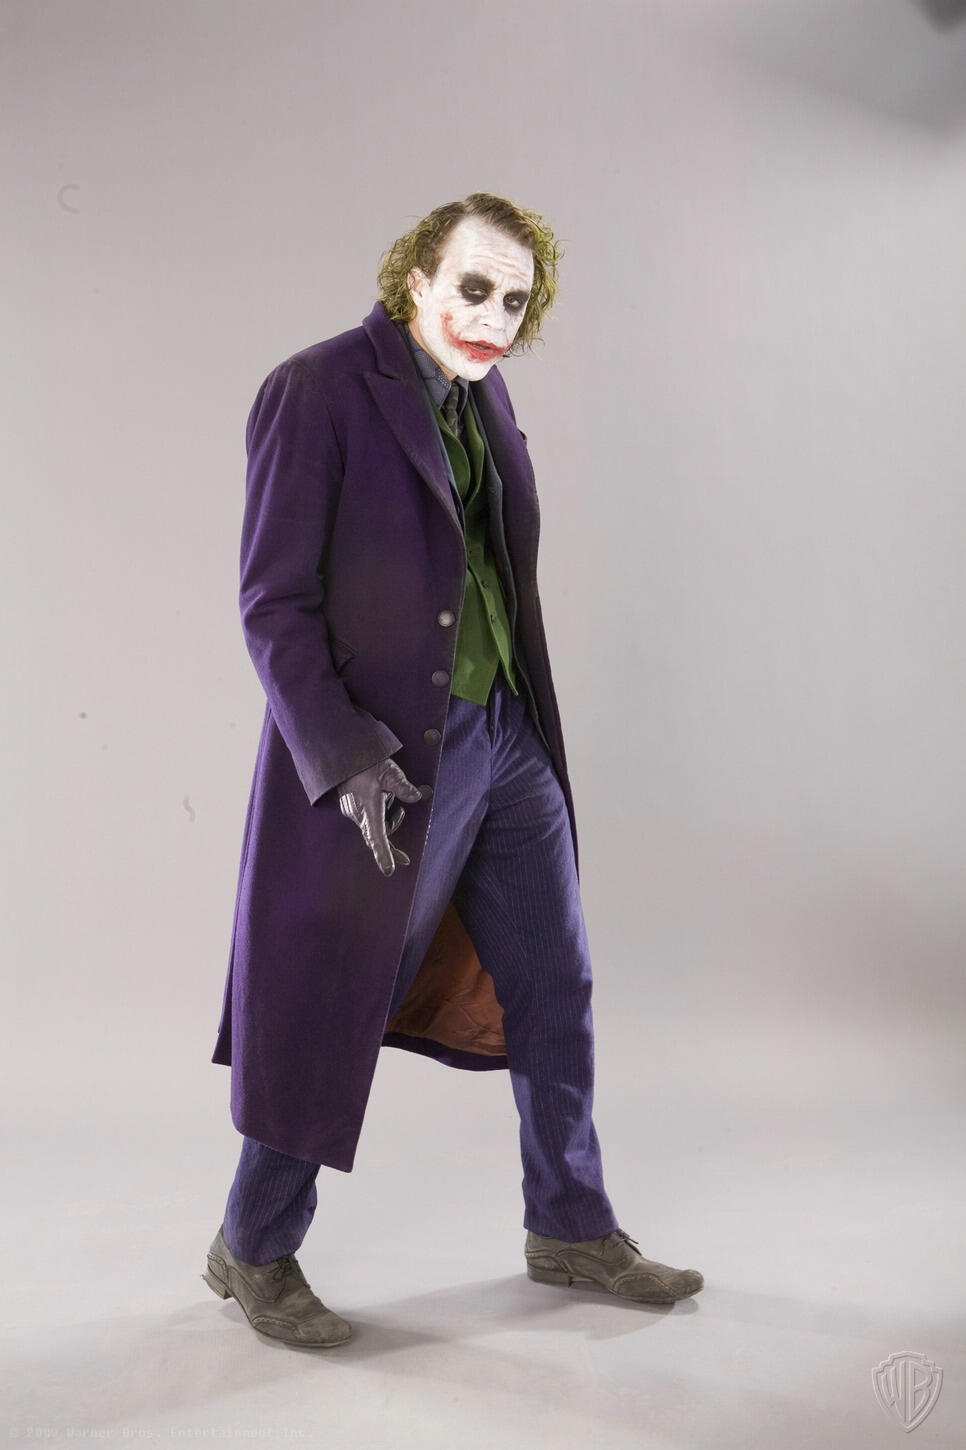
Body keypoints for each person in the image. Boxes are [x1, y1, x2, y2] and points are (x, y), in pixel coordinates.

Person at [203, 192, 704, 1346]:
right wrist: (344, 756)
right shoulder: (316, 389)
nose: (492, 317)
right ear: (416, 278)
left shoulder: (482, 393)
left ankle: (569, 1223)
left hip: (507, 735)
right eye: (473, 288)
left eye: (515, 301)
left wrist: (513, 719)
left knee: (555, 981)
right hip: (391, 758)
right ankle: (252, 1244)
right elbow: (272, 603)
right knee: (334, 997)